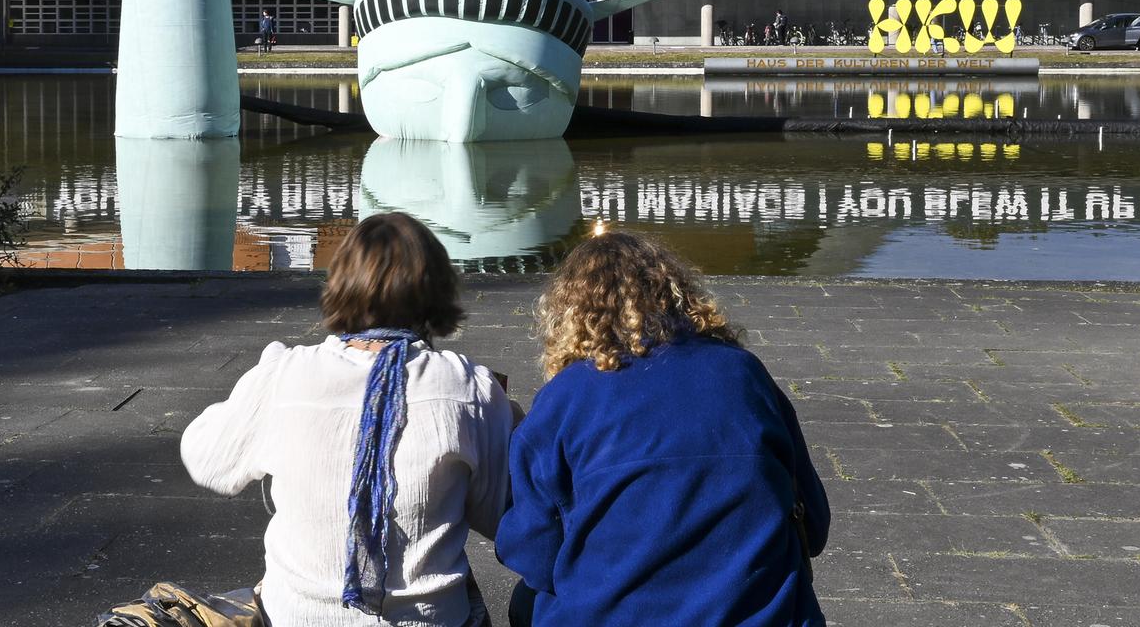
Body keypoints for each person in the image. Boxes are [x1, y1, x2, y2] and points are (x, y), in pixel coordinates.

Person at [181, 212, 513, 626]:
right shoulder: (470, 388)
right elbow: (500, 516)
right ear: (437, 290)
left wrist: (248, 403)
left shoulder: (284, 373)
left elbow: (207, 460)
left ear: (340, 284)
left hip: (296, 617)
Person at [497, 232, 828, 626]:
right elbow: (814, 524)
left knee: (527, 601)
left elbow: (531, 552)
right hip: (761, 616)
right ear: (679, 295)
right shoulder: (744, 372)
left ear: (568, 315)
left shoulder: (564, 397)